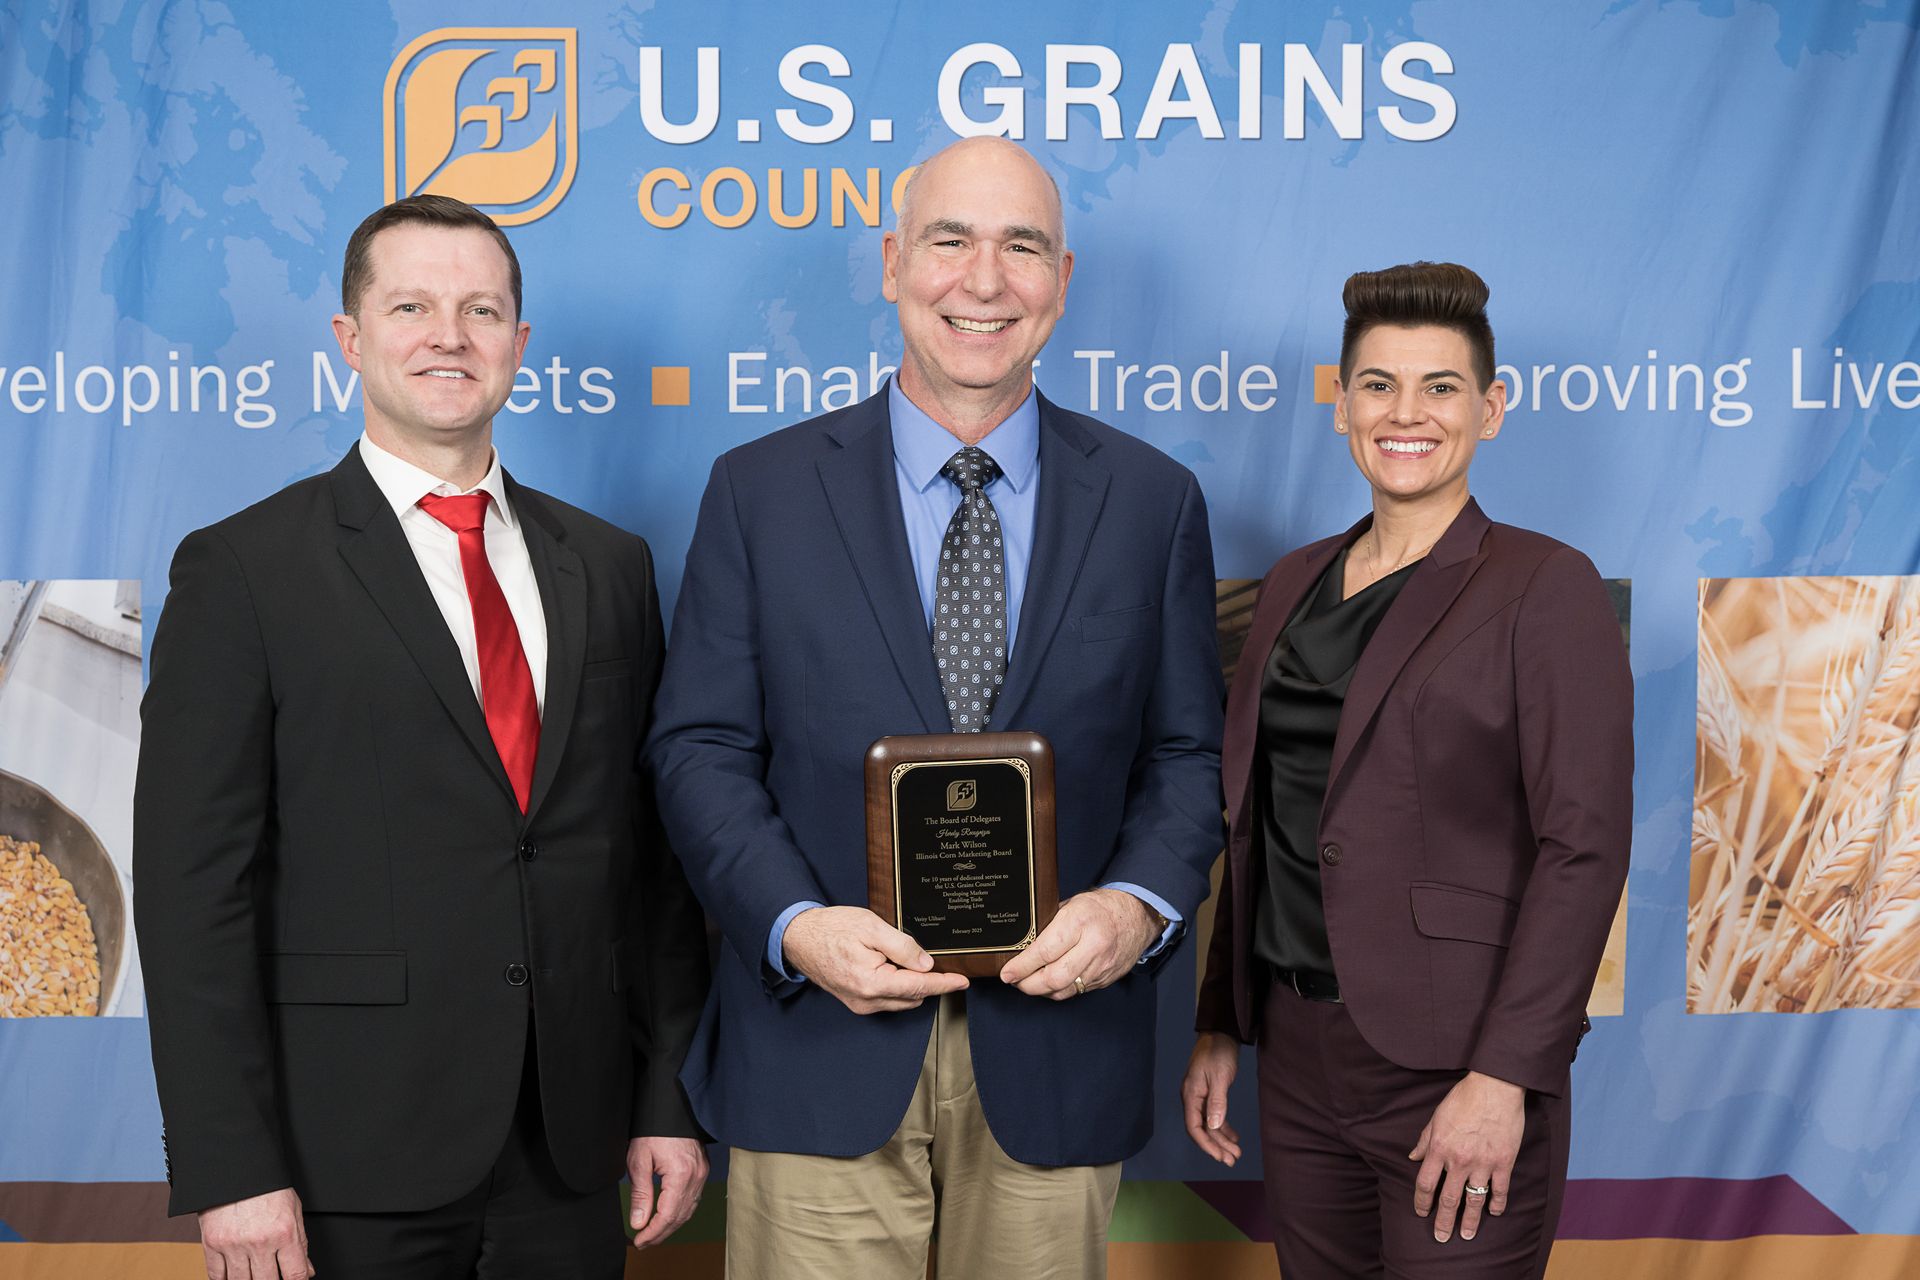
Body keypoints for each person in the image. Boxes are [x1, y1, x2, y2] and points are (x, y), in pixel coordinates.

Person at [645, 136, 1224, 1280]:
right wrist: (795, 924)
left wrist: (1137, 906)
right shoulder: (759, 491)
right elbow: (700, 747)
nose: (985, 279)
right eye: (951, 240)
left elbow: (1187, 754)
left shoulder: (1153, 500)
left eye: (1023, 246)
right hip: (819, 1043)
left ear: (1064, 277)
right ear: (892, 261)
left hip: (1058, 1050)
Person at [134, 194, 711, 1279]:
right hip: (344, 1153)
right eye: (411, 307)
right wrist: (230, 1164)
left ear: (518, 343)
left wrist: (666, 1098)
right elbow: (191, 889)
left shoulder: (610, 565)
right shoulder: (244, 570)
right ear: (350, 338)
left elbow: (653, 868)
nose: (450, 336)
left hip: (573, 1150)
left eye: (480, 310)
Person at [1181, 262, 1632, 1279]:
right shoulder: (1294, 579)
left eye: (1440, 387)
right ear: (1343, 405)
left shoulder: (1544, 585)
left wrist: (1505, 1075)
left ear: (1491, 409)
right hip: (1296, 1052)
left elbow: (1584, 847)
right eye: (1379, 384)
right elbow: (1262, 818)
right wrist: (1221, 1018)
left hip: (1455, 1059)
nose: (1407, 412)